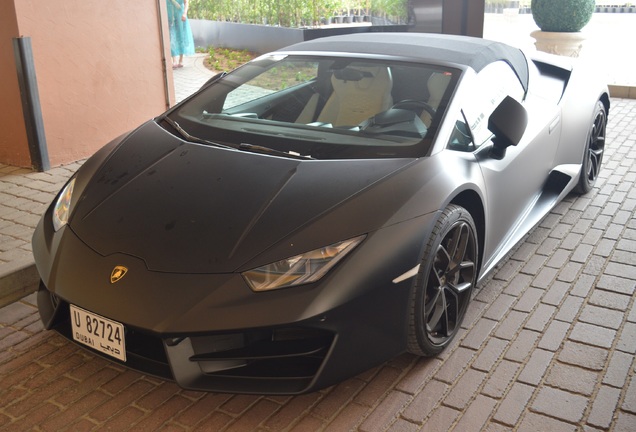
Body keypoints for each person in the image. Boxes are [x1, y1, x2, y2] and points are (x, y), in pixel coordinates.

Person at [167, 0, 195, 69]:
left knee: (181, 35)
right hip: (169, 14)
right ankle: (174, 60)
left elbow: (186, 2)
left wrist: (185, 13)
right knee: (171, 37)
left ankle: (181, 59)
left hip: (180, 14)